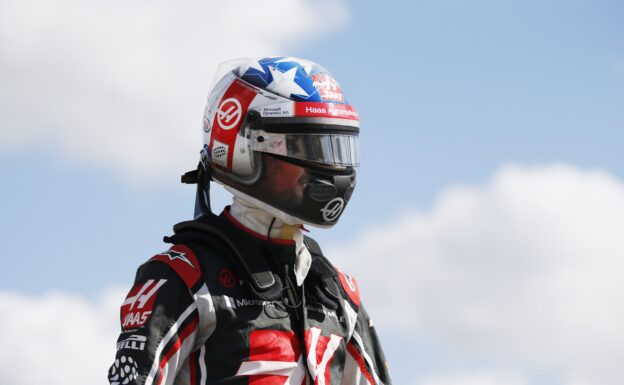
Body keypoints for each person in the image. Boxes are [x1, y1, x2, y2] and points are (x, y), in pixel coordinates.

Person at [108, 57, 392, 385]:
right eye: (307, 147)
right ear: (243, 147)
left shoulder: (338, 292)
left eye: (333, 147)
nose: (328, 166)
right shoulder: (184, 276)